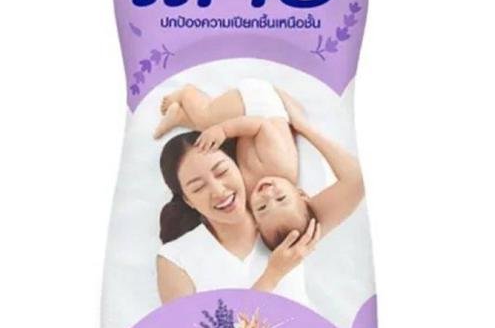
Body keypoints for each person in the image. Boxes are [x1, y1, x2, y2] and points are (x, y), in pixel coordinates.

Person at [154, 79, 364, 249]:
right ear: (301, 193)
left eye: (262, 207)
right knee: (206, 119)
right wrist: (223, 130)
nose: (267, 194)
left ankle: (180, 116)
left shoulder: (248, 193)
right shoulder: (279, 164)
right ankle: (186, 92)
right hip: (259, 104)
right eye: (281, 198)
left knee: (209, 131)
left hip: (246, 124)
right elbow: (260, 125)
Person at [155, 131, 320, 305]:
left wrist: (301, 125)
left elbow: (344, 185)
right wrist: (272, 275)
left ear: (237, 165)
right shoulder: (175, 258)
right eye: (198, 187)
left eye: (222, 172)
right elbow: (188, 325)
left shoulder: (284, 217)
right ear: (188, 201)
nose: (219, 191)